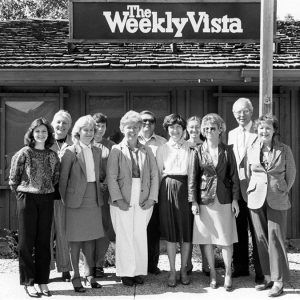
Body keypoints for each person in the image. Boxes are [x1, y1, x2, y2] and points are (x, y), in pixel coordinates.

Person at [245, 114, 296, 297]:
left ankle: (279, 280)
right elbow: (247, 171)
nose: (264, 131)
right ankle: (267, 276)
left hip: (277, 197)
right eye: (261, 128)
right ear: (256, 130)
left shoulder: (284, 149)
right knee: (261, 238)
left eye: (268, 128)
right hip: (256, 198)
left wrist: (281, 189)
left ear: (274, 130)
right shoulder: (251, 148)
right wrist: (253, 190)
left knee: (276, 238)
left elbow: (291, 174)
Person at [107, 110, 159, 286]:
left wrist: (152, 198)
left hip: (143, 196)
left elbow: (154, 175)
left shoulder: (147, 150)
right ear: (122, 128)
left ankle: (138, 271)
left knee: (139, 234)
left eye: (136, 127)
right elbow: (111, 177)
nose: (133, 130)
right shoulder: (116, 150)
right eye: (129, 127)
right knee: (124, 235)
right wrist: (118, 199)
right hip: (123, 197)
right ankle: (126, 272)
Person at [188, 113, 240, 291]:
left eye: (213, 128)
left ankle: (227, 273)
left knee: (226, 240)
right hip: (204, 200)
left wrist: (235, 200)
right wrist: (193, 201)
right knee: (207, 239)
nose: (209, 131)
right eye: (206, 129)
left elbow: (234, 177)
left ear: (220, 130)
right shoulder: (197, 151)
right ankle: (212, 273)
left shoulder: (228, 150)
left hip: (224, 199)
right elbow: (192, 179)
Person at [9, 117, 60, 297]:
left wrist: (45, 190)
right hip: (27, 199)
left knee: (43, 242)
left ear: (49, 134)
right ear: (31, 133)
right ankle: (28, 282)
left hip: (46, 198)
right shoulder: (24, 153)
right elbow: (13, 180)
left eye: (44, 131)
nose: (41, 134)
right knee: (26, 242)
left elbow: (56, 177)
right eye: (37, 131)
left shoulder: (52, 155)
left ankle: (43, 281)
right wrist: (24, 194)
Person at [59, 115, 105, 293]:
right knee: (75, 241)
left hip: (93, 199)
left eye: (92, 130)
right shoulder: (70, 151)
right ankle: (75, 276)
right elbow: (63, 180)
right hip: (75, 202)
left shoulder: (97, 151)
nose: (89, 133)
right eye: (85, 130)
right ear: (78, 132)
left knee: (90, 238)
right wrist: (66, 201)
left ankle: (89, 274)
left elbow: (97, 176)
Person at [228, 97, 264, 283]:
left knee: (257, 231)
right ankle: (240, 268)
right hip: (236, 190)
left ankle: (260, 271)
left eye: (245, 111)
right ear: (234, 114)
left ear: (251, 111)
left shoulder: (260, 132)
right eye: (238, 112)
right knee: (238, 229)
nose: (241, 115)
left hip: (254, 189)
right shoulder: (231, 134)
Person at [156, 113, 193, 287]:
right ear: (167, 129)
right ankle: (172, 270)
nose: (175, 130)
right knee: (171, 233)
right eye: (171, 127)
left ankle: (183, 269)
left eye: (178, 127)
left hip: (186, 188)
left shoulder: (191, 147)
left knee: (185, 232)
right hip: (167, 189)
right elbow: (157, 173)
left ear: (183, 129)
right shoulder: (162, 148)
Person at [138, 110, 167, 275]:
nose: (147, 124)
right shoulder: (132, 140)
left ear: (155, 124)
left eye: (150, 121)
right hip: (136, 193)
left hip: (155, 193)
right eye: (143, 121)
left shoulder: (162, 143)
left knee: (153, 230)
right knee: (137, 230)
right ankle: (139, 265)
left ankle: (152, 265)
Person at [50, 110, 73, 282]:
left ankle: (65, 269)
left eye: (65, 123)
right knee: (45, 234)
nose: (61, 126)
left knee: (63, 233)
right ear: (53, 123)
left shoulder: (74, 143)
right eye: (58, 122)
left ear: (69, 126)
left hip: (64, 195)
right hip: (45, 195)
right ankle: (45, 268)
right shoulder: (44, 140)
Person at [92, 112, 116, 278]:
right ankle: (89, 264)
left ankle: (99, 264)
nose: (100, 129)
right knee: (89, 228)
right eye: (97, 126)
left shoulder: (111, 146)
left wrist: (105, 182)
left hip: (105, 191)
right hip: (88, 191)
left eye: (103, 126)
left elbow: (114, 168)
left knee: (104, 228)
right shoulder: (85, 143)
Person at [185, 116, 209, 276]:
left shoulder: (206, 145)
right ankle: (187, 263)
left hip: (202, 191)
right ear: (187, 128)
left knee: (203, 228)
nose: (194, 130)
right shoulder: (182, 145)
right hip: (183, 192)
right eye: (191, 127)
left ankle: (207, 264)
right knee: (186, 229)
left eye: (197, 127)